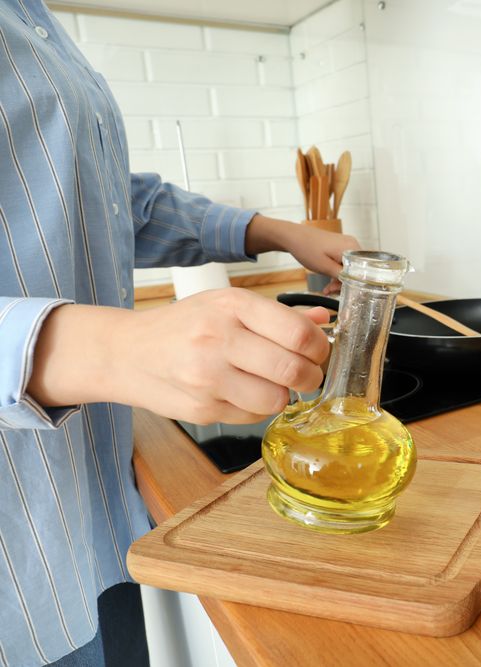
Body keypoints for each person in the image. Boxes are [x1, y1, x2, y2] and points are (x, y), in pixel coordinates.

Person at [0, 2, 359, 664]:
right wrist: (114, 349)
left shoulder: (33, 18)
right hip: (18, 558)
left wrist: (278, 231)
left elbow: (110, 197)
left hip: (100, 521)